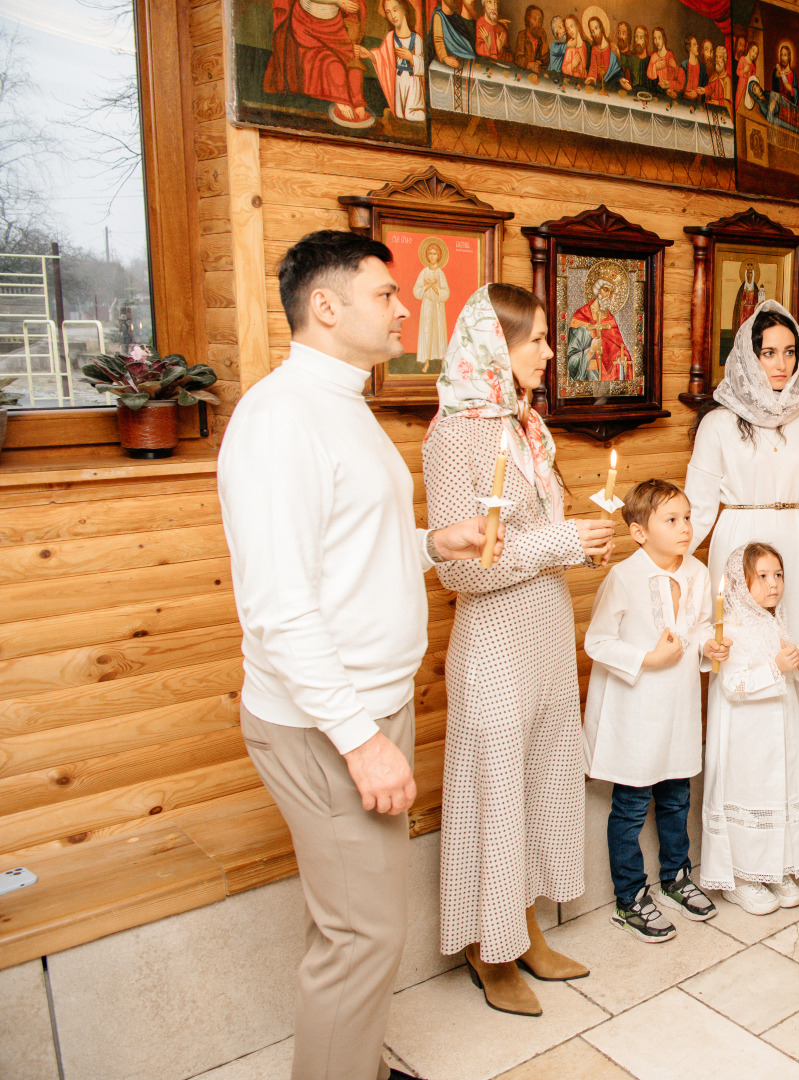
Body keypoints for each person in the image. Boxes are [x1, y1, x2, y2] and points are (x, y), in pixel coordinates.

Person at [219, 229, 498, 1080]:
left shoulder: (341, 404)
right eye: (386, 294)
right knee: (364, 933)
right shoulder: (277, 420)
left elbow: (342, 551)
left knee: (351, 922)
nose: (406, 304)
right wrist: (358, 736)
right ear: (327, 305)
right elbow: (278, 608)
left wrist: (426, 542)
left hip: (366, 703)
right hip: (324, 721)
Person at [423, 284, 615, 1015]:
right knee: (496, 795)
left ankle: (524, 928)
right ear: (489, 346)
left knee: (538, 786)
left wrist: (579, 549)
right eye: (533, 338)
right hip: (494, 640)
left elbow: (530, 543)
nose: (545, 350)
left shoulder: (530, 427)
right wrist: (560, 541)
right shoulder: (453, 435)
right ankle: (487, 951)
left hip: (543, 626)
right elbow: (459, 566)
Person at [685, 300, 799, 770]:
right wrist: (667, 560)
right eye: (769, 353)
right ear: (749, 357)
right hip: (739, 543)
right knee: (740, 652)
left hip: (793, 546)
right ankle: (739, 774)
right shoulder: (718, 422)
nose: (781, 364)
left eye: (789, 352)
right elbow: (698, 504)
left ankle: (795, 772)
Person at [583, 479, 727, 943]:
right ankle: (629, 897)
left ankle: (675, 876)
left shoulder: (698, 573)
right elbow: (597, 641)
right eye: (672, 520)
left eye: (687, 517)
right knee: (630, 806)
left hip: (679, 708)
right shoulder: (623, 578)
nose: (685, 527)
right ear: (639, 532)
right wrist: (648, 659)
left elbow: (701, 623)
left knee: (676, 796)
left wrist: (710, 644)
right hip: (636, 712)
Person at [699, 543, 799, 914]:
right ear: (741, 582)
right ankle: (741, 877)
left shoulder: (774, 620)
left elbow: (789, 667)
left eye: (779, 575)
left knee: (778, 792)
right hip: (746, 738)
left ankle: (776, 867)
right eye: (764, 576)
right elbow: (733, 686)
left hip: (779, 733)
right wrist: (776, 667)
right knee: (751, 794)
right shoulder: (729, 629)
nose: (774, 585)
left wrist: (798, 664)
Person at [262, 0, 372, 129]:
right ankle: (341, 99)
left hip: (334, 25)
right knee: (330, 63)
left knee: (352, 60)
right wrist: (338, 1)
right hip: (306, 25)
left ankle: (357, 101)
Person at [567, 269, 630, 382]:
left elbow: (618, 348)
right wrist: (591, 351)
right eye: (605, 289)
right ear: (597, 290)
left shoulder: (610, 320)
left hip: (610, 378)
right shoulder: (581, 316)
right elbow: (571, 362)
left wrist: (621, 358)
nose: (608, 295)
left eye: (611, 292)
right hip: (589, 378)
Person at [368, 0, 426, 122]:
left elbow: (423, 66)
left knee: (411, 114)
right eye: (388, 12)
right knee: (399, 115)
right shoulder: (390, 37)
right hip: (398, 81)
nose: (392, 16)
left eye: (395, 10)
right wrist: (368, 54)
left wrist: (410, 57)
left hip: (412, 82)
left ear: (404, 9)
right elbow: (381, 58)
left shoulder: (416, 39)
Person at [412, 239, 451, 372]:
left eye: (435, 254)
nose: (432, 256)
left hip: (438, 307)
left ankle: (442, 361)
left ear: (439, 256)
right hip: (427, 306)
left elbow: (446, 293)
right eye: (430, 253)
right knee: (427, 331)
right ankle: (427, 362)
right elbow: (416, 291)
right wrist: (427, 285)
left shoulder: (441, 273)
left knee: (439, 332)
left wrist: (435, 288)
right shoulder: (424, 272)